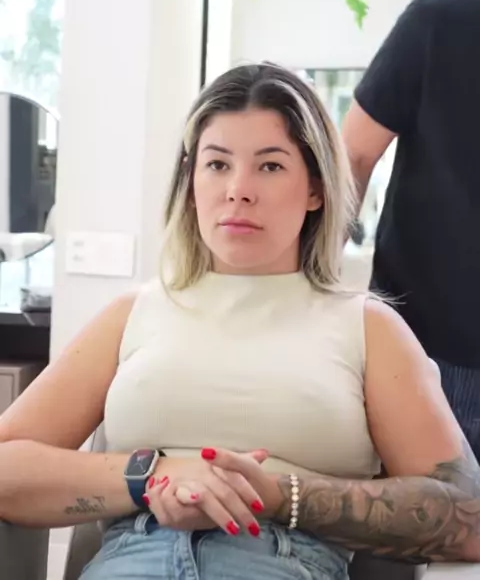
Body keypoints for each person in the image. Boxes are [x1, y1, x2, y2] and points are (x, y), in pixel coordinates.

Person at [0, 62, 479, 580]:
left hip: (282, 560)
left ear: (316, 189)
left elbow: (467, 516)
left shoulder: (368, 328)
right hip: (132, 561)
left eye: (270, 166)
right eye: (217, 164)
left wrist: (277, 495)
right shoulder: (132, 314)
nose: (238, 190)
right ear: (191, 182)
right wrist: (154, 476)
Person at [341, 0, 480, 463]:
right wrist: (306, 286)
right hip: (420, 344)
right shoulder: (437, 24)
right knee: (410, 504)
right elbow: (351, 158)